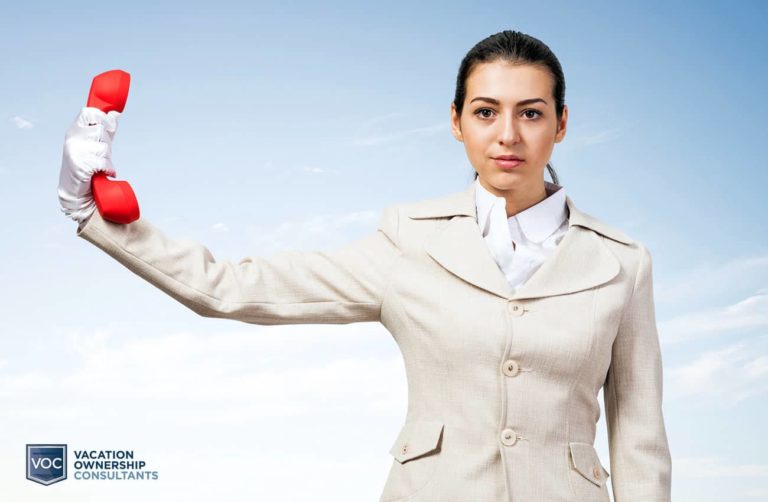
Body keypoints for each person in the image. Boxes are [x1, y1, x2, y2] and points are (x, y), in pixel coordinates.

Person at [58, 29, 671, 502]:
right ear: (456, 122)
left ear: (561, 124)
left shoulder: (621, 264)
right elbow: (232, 288)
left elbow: (640, 443)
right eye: (486, 112)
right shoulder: (408, 241)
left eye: (531, 112)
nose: (507, 134)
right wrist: (91, 211)